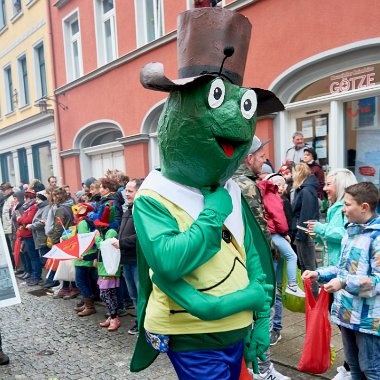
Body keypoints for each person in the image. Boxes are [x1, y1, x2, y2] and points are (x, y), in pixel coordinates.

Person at [302, 182, 380, 380]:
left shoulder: (377, 238)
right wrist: (318, 273)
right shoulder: (351, 232)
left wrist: (344, 283)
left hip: (368, 320)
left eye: (347, 204)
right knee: (354, 367)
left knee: (371, 369)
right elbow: (341, 268)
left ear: (364, 207)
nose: (342, 209)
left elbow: (377, 282)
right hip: (346, 314)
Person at [233, 136, 290, 380]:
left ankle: (251, 367)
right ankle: (262, 369)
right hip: (252, 260)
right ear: (249, 158)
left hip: (234, 260)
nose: (265, 159)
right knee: (261, 310)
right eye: (261, 155)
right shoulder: (246, 185)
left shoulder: (226, 180)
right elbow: (258, 227)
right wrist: (271, 251)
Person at [305, 168, 357, 380]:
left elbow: (344, 235)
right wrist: (318, 234)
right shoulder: (337, 207)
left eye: (328, 184)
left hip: (342, 276)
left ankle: (350, 368)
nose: (324, 188)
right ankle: (349, 367)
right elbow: (332, 241)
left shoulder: (346, 210)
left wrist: (321, 229)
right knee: (342, 324)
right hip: (332, 271)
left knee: (347, 326)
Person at [259, 177, 305, 297]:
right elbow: (279, 218)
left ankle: (277, 288)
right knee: (291, 256)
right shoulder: (272, 196)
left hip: (269, 233)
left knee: (278, 262)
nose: (280, 188)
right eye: (278, 185)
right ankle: (292, 285)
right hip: (275, 233)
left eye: (282, 185)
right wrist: (285, 233)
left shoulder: (263, 194)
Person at [112, 178, 143, 335]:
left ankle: (144, 325)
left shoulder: (141, 210)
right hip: (127, 260)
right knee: (133, 296)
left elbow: (142, 236)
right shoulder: (128, 210)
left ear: (139, 191)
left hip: (137, 260)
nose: (126, 194)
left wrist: (122, 243)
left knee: (141, 295)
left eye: (130, 191)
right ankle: (139, 322)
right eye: (126, 191)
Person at [291, 163, 319, 297]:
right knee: (306, 267)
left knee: (309, 268)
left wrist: (300, 235)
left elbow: (305, 215)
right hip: (303, 233)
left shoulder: (306, 190)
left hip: (304, 234)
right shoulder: (305, 189)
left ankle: (313, 299)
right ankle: (311, 299)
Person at [72, 203, 98, 317]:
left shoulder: (82, 223)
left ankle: (89, 306)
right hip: (85, 256)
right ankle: (88, 303)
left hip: (82, 257)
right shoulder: (85, 221)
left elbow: (82, 240)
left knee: (80, 281)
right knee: (86, 281)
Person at [25, 192, 50, 286]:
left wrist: (32, 225)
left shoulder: (45, 208)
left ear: (43, 200)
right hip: (38, 236)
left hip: (42, 237)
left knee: (45, 259)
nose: (36, 201)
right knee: (43, 258)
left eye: (38, 199)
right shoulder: (41, 207)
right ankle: (49, 279)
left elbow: (43, 222)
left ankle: (50, 280)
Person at [17, 190, 41, 286]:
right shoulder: (28, 207)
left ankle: (36, 276)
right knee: (31, 256)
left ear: (28, 198)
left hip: (29, 235)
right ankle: (34, 275)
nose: (24, 199)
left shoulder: (33, 207)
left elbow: (28, 220)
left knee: (34, 257)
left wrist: (19, 219)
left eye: (25, 197)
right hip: (26, 234)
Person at [1, 183, 15, 269]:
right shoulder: (7, 199)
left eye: (4, 190)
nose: (3, 192)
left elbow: (11, 214)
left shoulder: (11, 199)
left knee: (14, 249)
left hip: (11, 228)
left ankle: (18, 267)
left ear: (9, 190)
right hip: (7, 228)